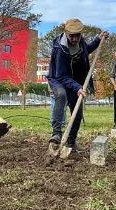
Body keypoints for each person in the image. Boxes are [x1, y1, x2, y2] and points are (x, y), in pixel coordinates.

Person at [46, 18, 108, 150]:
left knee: (77, 112)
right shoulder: (59, 49)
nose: (74, 39)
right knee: (61, 95)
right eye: (71, 36)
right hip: (58, 79)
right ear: (66, 32)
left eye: (77, 35)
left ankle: (71, 142)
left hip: (76, 81)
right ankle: (56, 134)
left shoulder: (81, 42)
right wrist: (77, 87)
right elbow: (61, 75)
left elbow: (87, 49)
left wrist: (98, 39)